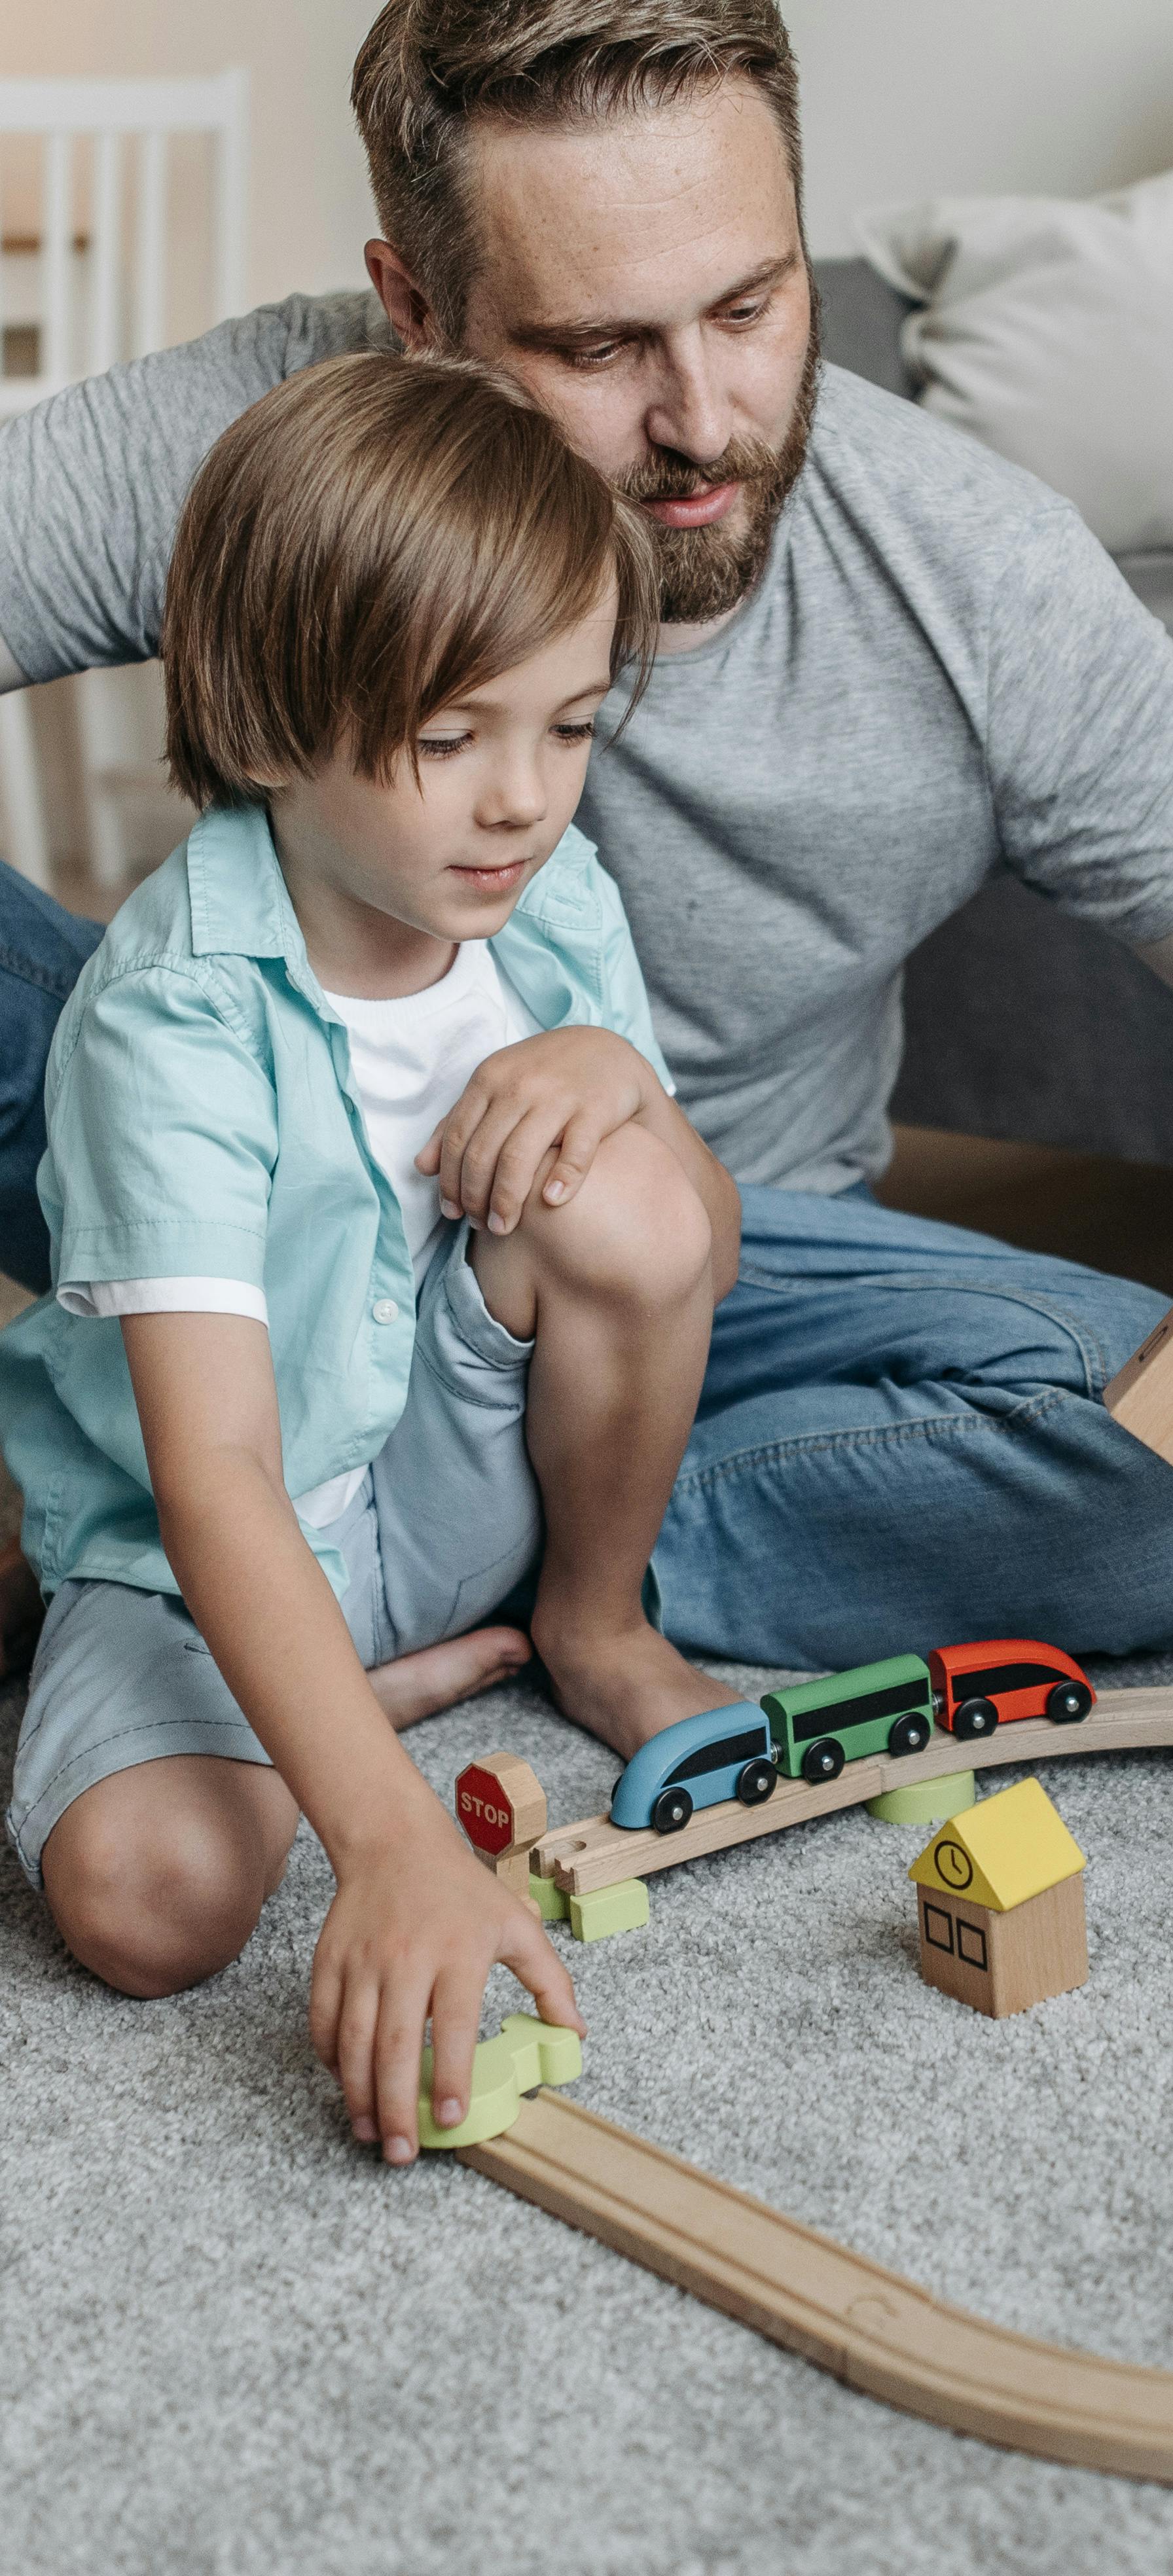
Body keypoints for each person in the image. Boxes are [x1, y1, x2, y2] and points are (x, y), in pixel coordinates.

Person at [0, 0, 1173, 1689]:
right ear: (413, 315)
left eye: (754, 308)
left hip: (683, 1271)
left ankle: (315, 1534)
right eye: (600, 348)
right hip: (245, 1192)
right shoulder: (277, 444)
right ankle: (263, 1505)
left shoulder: (976, 577)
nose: (705, 420)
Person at [0, 349, 749, 2163]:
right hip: (215, 1552)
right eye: (450, 740)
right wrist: (389, 1832)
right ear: (268, 726)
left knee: (631, 1185)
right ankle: (342, 1694)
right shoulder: (168, 1021)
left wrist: (617, 1081)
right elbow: (218, 1475)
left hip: (453, 1480)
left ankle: (586, 1619)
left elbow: (696, 1245)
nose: (522, 801)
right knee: (143, 1905)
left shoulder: (550, 903)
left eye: (569, 729)